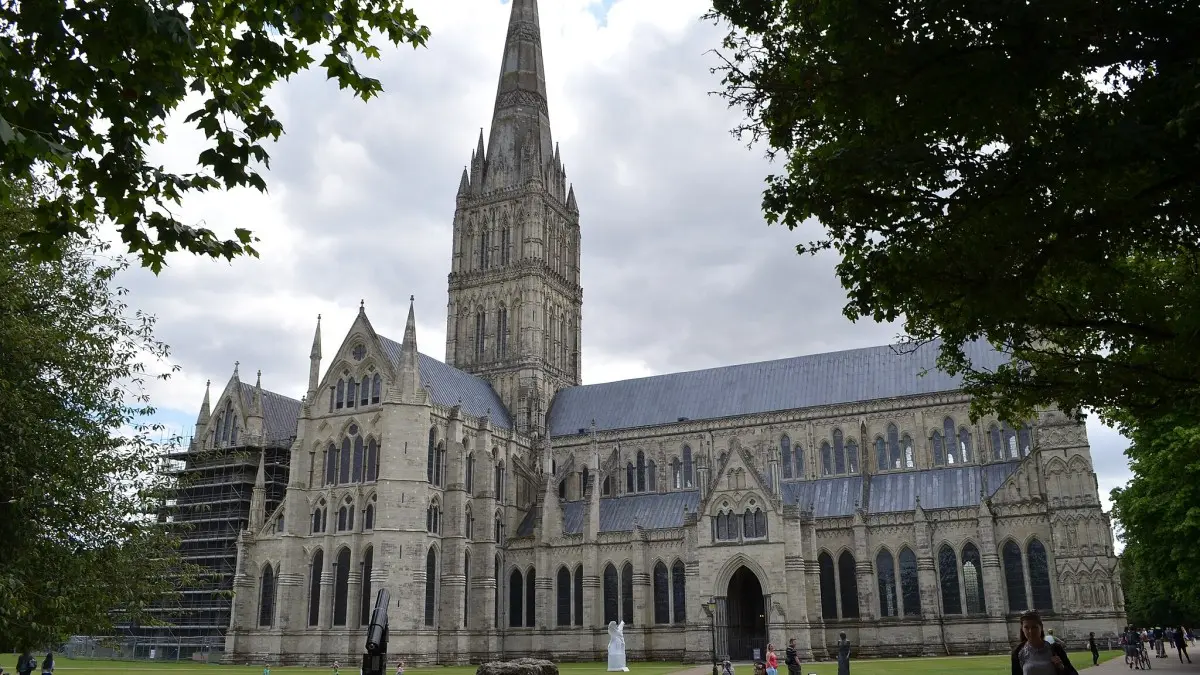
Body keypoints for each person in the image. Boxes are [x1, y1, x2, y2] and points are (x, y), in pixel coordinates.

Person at [1012, 610, 1078, 675]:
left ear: (1041, 627)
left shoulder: (1056, 649)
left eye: (1034, 627)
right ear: (1022, 629)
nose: (1030, 631)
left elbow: (1073, 673)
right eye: (1026, 627)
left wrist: (1061, 667)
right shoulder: (1018, 653)